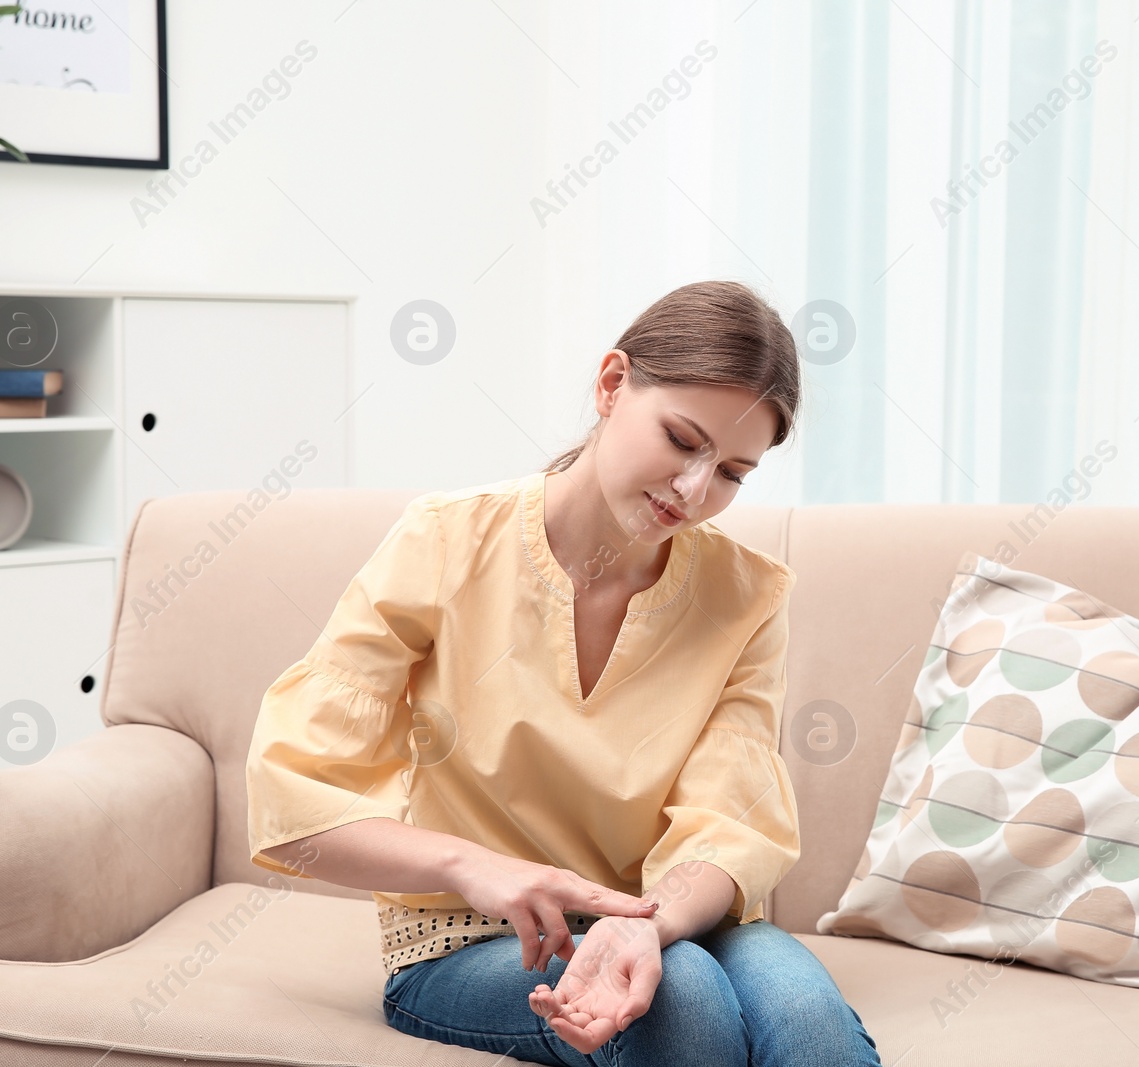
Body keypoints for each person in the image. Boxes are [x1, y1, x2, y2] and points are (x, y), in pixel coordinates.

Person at [244, 280, 881, 1065]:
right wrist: (473, 867)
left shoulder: (745, 594)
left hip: (668, 916)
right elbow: (290, 797)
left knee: (807, 1018)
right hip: (471, 940)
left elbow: (732, 820)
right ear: (612, 385)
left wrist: (644, 924)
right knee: (681, 1004)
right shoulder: (445, 541)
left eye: (732, 473)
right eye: (683, 440)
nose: (693, 489)